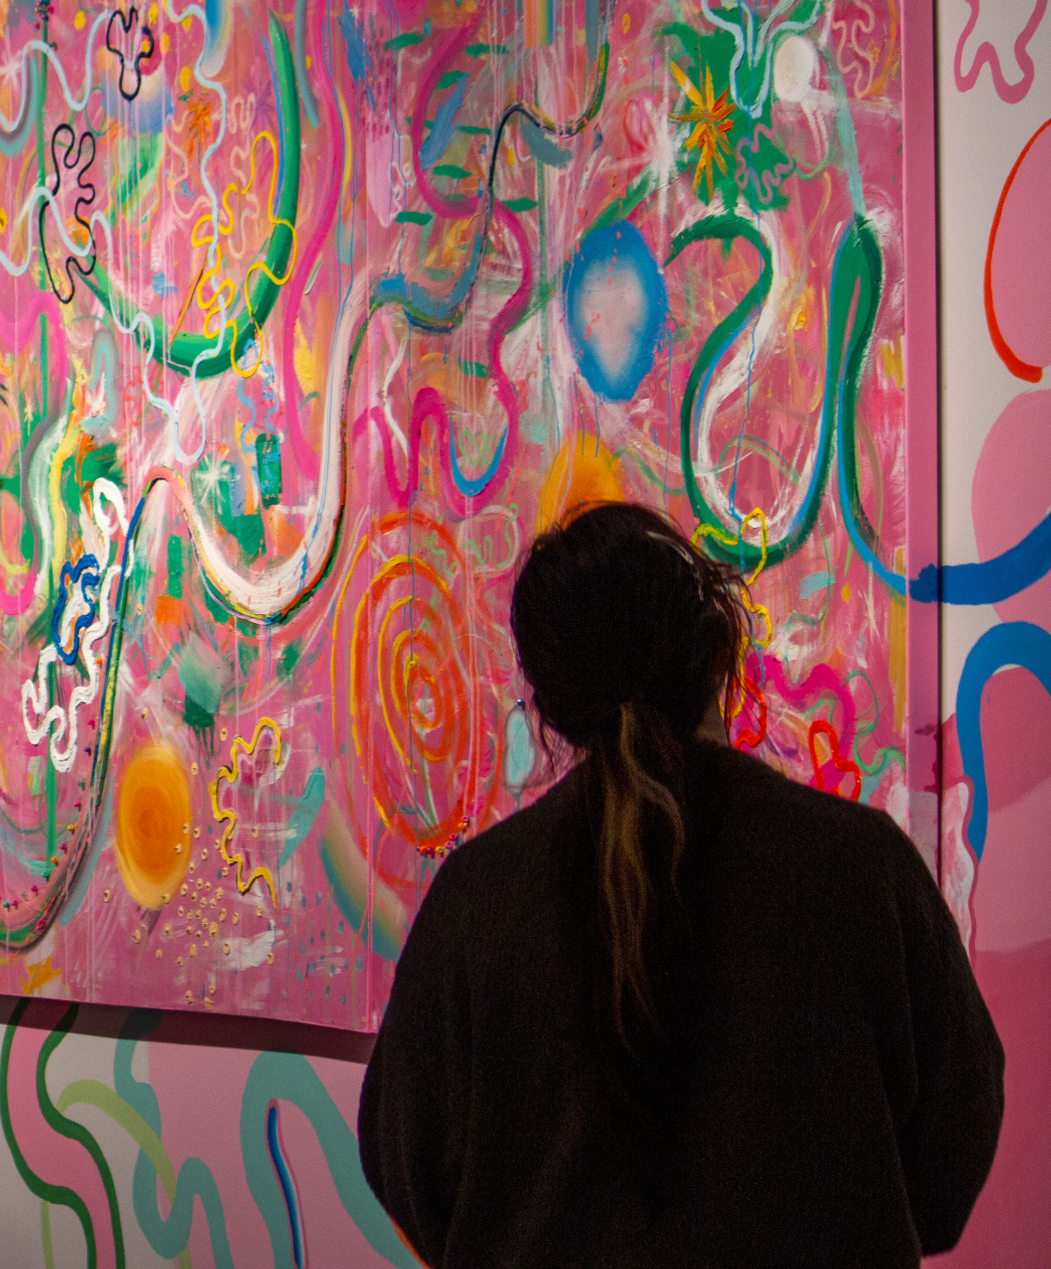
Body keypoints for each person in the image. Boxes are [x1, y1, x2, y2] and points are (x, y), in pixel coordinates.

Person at [357, 502, 1004, 1267]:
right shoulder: (862, 866)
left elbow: (405, 1162)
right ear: (718, 652)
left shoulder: (478, 900)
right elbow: (952, 1144)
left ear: (549, 704)